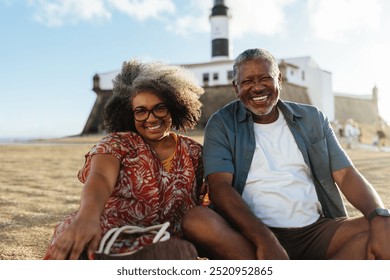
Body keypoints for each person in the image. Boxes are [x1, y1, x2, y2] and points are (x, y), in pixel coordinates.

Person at [182, 48, 390, 260]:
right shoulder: (222, 123)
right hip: (250, 234)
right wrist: (266, 240)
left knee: (383, 226)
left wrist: (379, 216)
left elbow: (345, 174)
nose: (257, 87)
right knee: (196, 220)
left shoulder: (312, 118)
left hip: (316, 232)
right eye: (247, 82)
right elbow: (220, 187)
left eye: (265, 78)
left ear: (279, 80)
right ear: (236, 87)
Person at [44, 59, 205, 260]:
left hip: (167, 240)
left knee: (179, 251)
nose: (152, 118)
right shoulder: (116, 143)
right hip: (114, 232)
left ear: (175, 106)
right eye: (141, 111)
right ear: (129, 114)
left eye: (160, 108)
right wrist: (87, 217)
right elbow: (100, 178)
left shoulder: (194, 152)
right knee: (74, 234)